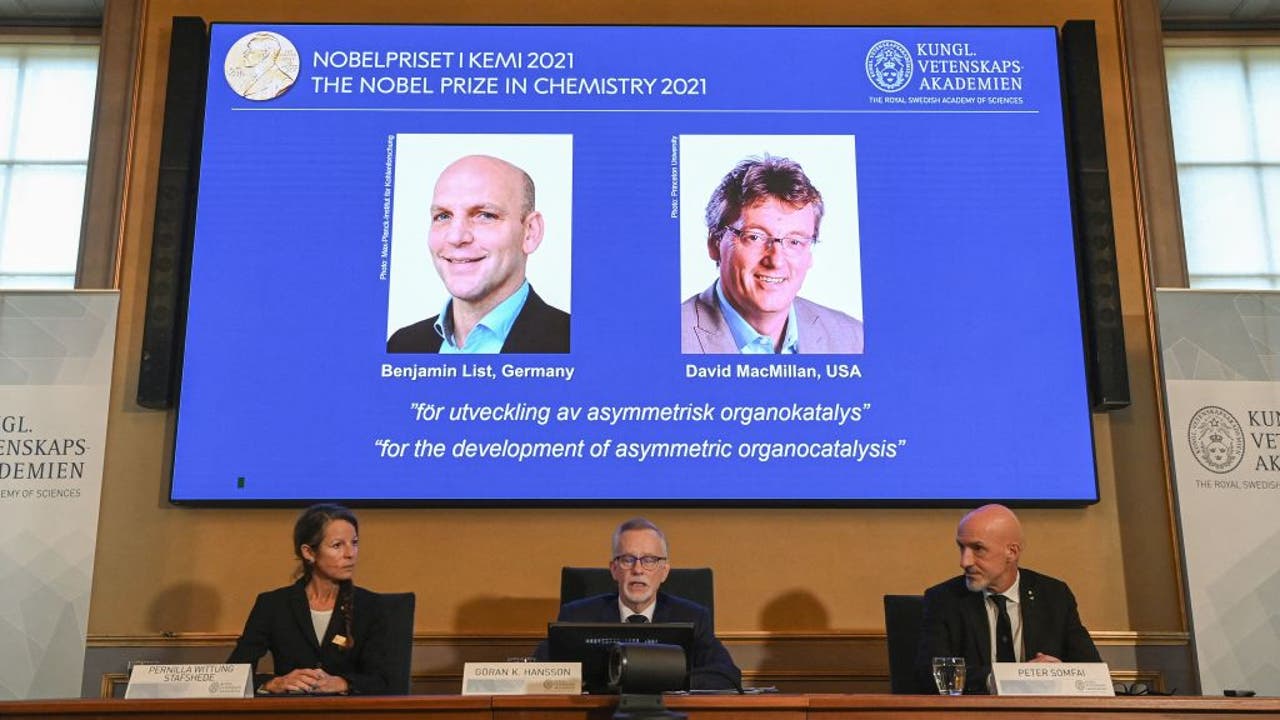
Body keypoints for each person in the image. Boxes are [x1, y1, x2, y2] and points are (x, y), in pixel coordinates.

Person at [387, 154, 569, 353]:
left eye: (485, 215)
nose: (456, 237)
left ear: (530, 232)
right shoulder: (401, 345)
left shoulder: (572, 343)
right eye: (443, 216)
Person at [681, 154, 863, 354]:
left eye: (794, 241)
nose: (776, 261)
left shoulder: (854, 339)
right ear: (714, 243)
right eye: (755, 237)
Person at [535, 518, 742, 690]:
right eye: (628, 559)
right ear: (614, 569)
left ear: (664, 572)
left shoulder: (693, 617)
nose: (638, 569)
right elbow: (537, 671)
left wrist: (662, 682)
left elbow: (727, 675)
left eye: (649, 560)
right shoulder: (577, 616)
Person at [915, 504, 1101, 694]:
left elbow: (1093, 672)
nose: (965, 561)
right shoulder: (944, 599)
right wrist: (1000, 680)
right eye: (962, 547)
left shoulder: (1054, 596)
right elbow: (929, 675)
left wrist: (1062, 673)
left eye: (978, 548)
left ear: (1012, 552)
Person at [228, 504, 404, 694]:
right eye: (337, 545)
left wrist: (344, 683)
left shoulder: (371, 606)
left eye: (354, 543)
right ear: (309, 552)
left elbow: (386, 681)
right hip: (290, 709)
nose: (350, 554)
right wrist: (273, 683)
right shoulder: (273, 605)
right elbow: (233, 674)